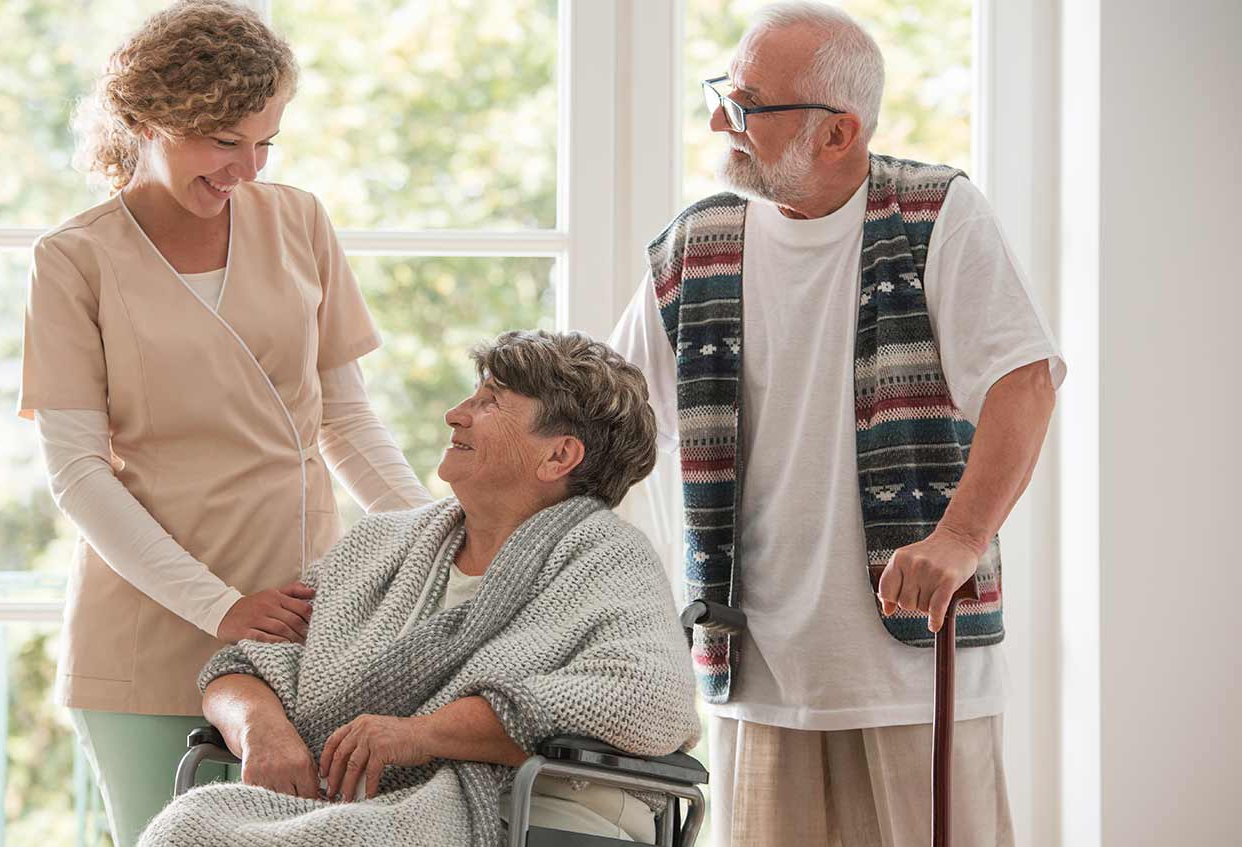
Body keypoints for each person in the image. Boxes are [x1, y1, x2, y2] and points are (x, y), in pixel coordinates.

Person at [609, 3, 1065, 845]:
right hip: (753, 666)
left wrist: (961, 539)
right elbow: (608, 421)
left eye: (748, 104)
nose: (719, 120)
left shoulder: (936, 213)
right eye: (724, 94)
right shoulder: (695, 244)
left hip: (915, 664)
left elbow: (1024, 380)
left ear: (837, 131)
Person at [17, 2, 431, 844]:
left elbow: (346, 421)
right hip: (150, 629)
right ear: (145, 122)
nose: (248, 166)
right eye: (221, 141)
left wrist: (439, 542)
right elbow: (78, 472)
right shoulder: (74, 260)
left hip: (302, 625)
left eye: (265, 141)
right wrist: (219, 606)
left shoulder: (301, 221)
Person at [138, 330, 700, 846]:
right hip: (364, 802)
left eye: (490, 403)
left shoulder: (608, 559)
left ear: (558, 455)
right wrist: (262, 730)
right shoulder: (382, 544)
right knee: (187, 827)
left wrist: (424, 734)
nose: (456, 414)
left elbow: (647, 700)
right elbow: (244, 668)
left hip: (540, 806)